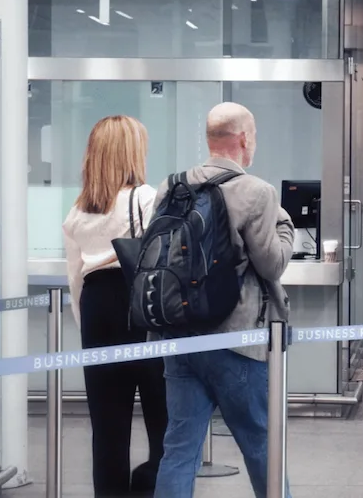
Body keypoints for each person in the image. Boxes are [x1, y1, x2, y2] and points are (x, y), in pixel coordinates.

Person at [153, 102, 295, 498]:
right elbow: (272, 266)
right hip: (238, 340)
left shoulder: (172, 185)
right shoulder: (257, 191)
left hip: (180, 337)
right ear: (245, 139)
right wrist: (286, 228)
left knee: (179, 449)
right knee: (262, 442)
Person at [62, 115, 168, 497]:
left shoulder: (77, 213)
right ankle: (149, 487)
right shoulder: (148, 198)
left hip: (97, 311)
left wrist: (88, 324)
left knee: (107, 429)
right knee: (164, 420)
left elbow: (75, 279)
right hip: (142, 310)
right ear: (131, 153)